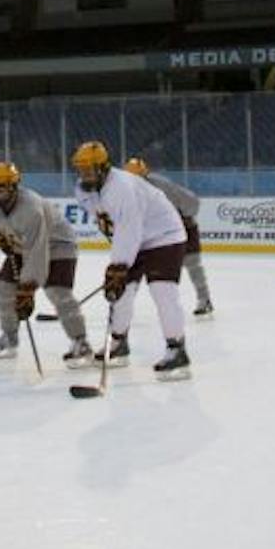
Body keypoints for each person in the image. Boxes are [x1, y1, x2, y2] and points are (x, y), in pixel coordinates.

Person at [73, 139, 191, 379]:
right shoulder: (83, 190)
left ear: (103, 167)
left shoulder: (121, 187)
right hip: (134, 239)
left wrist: (118, 266)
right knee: (121, 294)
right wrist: (118, 270)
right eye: (81, 169)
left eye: (89, 169)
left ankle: (177, 351)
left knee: (163, 292)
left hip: (164, 236)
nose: (84, 174)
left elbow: (130, 229)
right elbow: (111, 227)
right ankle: (118, 345)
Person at [0, 160, 91, 366]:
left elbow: (37, 251)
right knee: (5, 286)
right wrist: (6, 238)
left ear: (14, 187)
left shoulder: (31, 209)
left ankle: (81, 341)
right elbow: (4, 223)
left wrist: (28, 288)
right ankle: (10, 336)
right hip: (25, 244)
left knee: (58, 292)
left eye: (2, 187)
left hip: (58, 243)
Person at [124, 158, 214, 317]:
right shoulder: (127, 192)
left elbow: (192, 202)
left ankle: (204, 298)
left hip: (184, 229)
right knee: (137, 265)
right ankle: (124, 303)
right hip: (154, 233)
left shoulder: (161, 185)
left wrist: (183, 218)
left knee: (193, 265)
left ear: (144, 175)